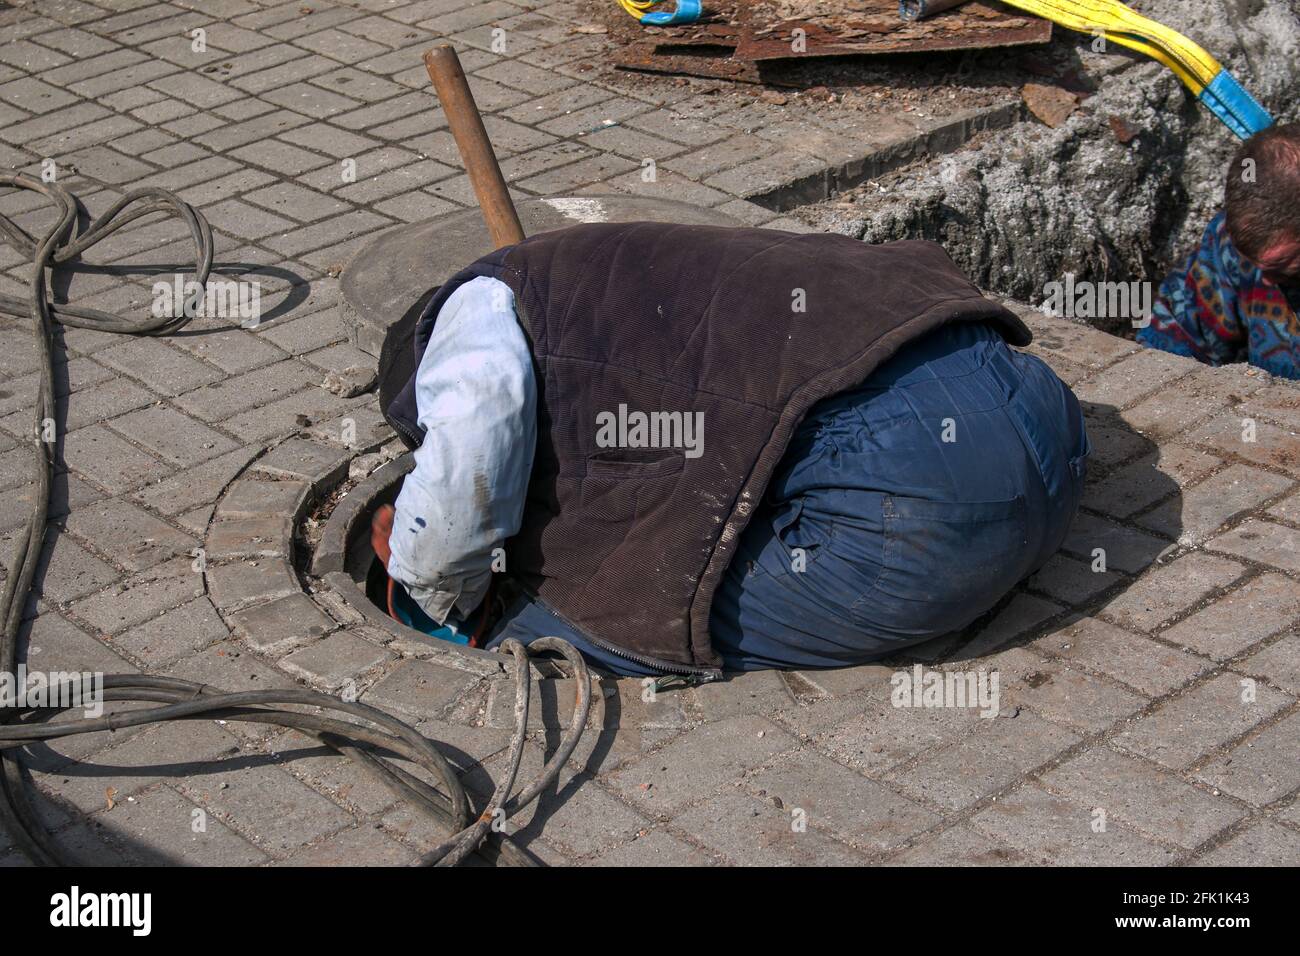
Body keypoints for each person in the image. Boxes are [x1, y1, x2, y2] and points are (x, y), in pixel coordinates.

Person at [376, 223, 1089, 678]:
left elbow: (467, 467)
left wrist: (434, 582)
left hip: (920, 523)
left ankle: (497, 632)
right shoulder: (598, 262)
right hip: (1043, 420)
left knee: (602, 609)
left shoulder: (470, 318)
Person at [1138, 122, 1300, 378]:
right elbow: (1177, 333)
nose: (1266, 280)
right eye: (1255, 264)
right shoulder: (1231, 248)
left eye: (1281, 263)